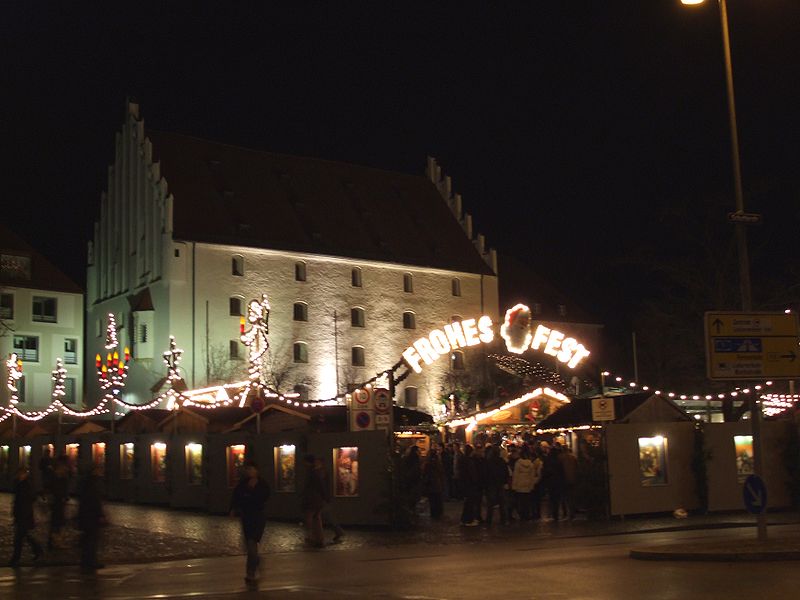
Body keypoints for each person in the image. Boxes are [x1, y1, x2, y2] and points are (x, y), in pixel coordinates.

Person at [230, 459, 271, 583]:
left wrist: (251, 492)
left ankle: (251, 573)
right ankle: (256, 561)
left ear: (256, 470)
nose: (249, 471)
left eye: (251, 469)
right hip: (246, 516)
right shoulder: (243, 483)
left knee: (252, 543)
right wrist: (233, 509)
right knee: (248, 545)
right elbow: (236, 496)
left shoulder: (262, 484)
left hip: (258, 517)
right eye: (247, 469)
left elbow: (263, 498)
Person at [9, 467, 42, 567]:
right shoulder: (20, 484)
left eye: (21, 473)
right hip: (22, 515)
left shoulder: (25, 485)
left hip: (24, 515)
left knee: (19, 538)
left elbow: (25, 501)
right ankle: (37, 550)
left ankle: (16, 558)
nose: (19, 475)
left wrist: (20, 513)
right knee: (25, 536)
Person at [78, 464, 106, 573]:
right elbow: (95, 500)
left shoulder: (86, 482)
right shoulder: (94, 483)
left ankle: (86, 561)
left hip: (86, 515)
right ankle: (91, 561)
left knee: (88, 539)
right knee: (92, 539)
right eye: (99, 469)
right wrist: (100, 514)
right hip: (91, 516)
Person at [316, 457, 345, 543]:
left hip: (321, 498)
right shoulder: (323, 471)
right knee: (325, 515)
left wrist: (325, 497)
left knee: (324, 515)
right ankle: (337, 531)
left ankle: (337, 531)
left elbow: (322, 486)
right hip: (323, 497)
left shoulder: (321, 472)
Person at [301, 454, 327, 547]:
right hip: (317, 500)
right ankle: (319, 539)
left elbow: (317, 486)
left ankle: (312, 537)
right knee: (316, 518)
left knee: (309, 518)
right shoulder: (315, 472)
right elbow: (321, 486)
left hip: (312, 500)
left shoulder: (311, 472)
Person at [47, 455, 70, 549]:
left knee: (57, 523)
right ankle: (54, 541)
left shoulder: (62, 478)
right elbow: (55, 490)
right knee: (56, 523)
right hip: (57, 503)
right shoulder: (56, 478)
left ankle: (54, 541)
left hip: (59, 503)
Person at [511, 446, 540, 521]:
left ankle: (522, 515)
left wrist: (514, 486)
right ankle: (527, 515)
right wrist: (532, 484)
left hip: (520, 485)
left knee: (520, 502)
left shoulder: (518, 463)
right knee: (527, 502)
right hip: (527, 485)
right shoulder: (530, 464)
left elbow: (516, 475)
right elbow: (532, 475)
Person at [484, 445, 509, 525]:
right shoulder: (502, 461)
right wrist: (505, 481)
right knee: (502, 503)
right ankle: (503, 519)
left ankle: (489, 520)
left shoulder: (489, 461)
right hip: (500, 483)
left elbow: (486, 474)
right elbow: (506, 472)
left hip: (491, 484)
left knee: (490, 504)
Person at [458, 444, 480, 526]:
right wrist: (475, 481)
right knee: (470, 502)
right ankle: (468, 520)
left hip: (465, 484)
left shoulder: (463, 460)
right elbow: (472, 474)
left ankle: (465, 519)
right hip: (470, 484)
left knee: (468, 502)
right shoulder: (469, 461)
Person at [421, 448, 445, 519]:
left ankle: (434, 513)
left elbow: (425, 473)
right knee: (437, 499)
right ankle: (438, 513)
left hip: (430, 484)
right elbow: (441, 473)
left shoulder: (427, 464)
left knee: (432, 500)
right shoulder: (438, 463)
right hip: (437, 483)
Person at [559, 445, 579, 520]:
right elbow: (577, 467)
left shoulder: (560, 458)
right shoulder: (573, 457)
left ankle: (565, 513)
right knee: (572, 497)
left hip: (564, 480)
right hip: (573, 479)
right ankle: (572, 513)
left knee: (564, 497)